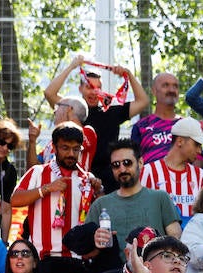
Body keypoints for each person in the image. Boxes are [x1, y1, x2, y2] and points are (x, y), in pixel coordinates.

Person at [12, 123, 99, 273]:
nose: (71, 154)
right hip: (44, 260)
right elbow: (15, 199)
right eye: (65, 148)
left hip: (77, 261)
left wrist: (99, 191)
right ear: (54, 147)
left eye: (76, 149)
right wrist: (47, 189)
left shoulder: (87, 178)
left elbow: (98, 216)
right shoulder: (38, 172)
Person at [45, 53, 150, 192]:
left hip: (109, 181)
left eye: (97, 88)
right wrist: (71, 67)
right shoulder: (73, 109)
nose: (94, 92)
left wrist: (128, 74)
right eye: (89, 87)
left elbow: (143, 101)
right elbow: (49, 93)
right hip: (78, 179)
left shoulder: (112, 111)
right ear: (80, 88)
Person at [87, 138, 182, 245]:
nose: (122, 169)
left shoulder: (160, 198)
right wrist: (94, 240)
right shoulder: (100, 205)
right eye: (116, 165)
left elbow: (175, 241)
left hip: (153, 261)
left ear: (140, 162)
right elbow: (86, 250)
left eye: (127, 163)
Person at [142, 116, 203, 222]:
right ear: (180, 141)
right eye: (197, 144)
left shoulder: (201, 176)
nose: (199, 151)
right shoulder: (148, 172)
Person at [131, 72, 182, 165]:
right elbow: (133, 162)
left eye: (175, 86)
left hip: (184, 178)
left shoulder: (187, 125)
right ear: (154, 91)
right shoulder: (141, 126)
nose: (171, 90)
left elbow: (198, 159)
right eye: (165, 85)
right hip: (151, 177)